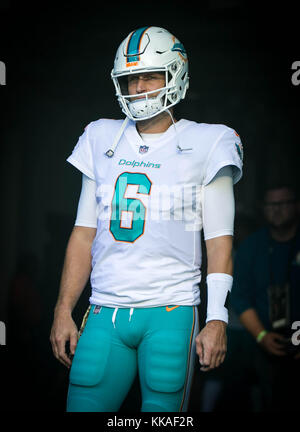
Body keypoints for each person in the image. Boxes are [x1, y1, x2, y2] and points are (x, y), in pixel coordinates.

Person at [50, 26, 243, 412]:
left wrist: (217, 317)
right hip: (105, 310)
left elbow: (219, 240)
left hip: (171, 311)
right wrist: (62, 309)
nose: (138, 87)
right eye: (130, 78)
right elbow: (84, 233)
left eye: (149, 76)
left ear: (176, 73)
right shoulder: (99, 135)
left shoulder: (211, 141)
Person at [231, 184, 300, 411]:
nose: (277, 210)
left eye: (283, 203)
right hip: (266, 340)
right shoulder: (251, 247)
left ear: (296, 206)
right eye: (271, 205)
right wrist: (261, 335)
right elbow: (240, 297)